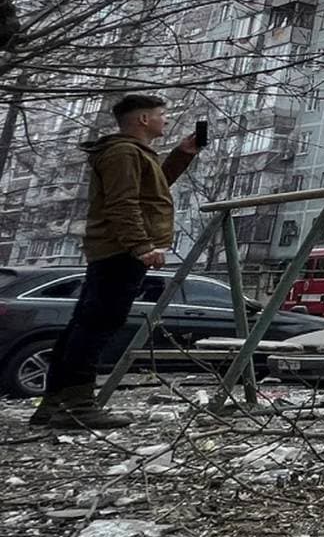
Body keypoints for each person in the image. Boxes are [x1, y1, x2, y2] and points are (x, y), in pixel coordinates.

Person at [30, 94, 201, 428]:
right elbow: (122, 203)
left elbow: (151, 191)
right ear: (142, 120)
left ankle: (54, 404)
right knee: (97, 326)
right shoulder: (123, 152)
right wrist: (140, 246)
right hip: (119, 250)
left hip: (113, 249)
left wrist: (182, 156)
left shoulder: (131, 153)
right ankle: (77, 407)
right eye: (161, 115)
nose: (165, 120)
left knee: (84, 324)